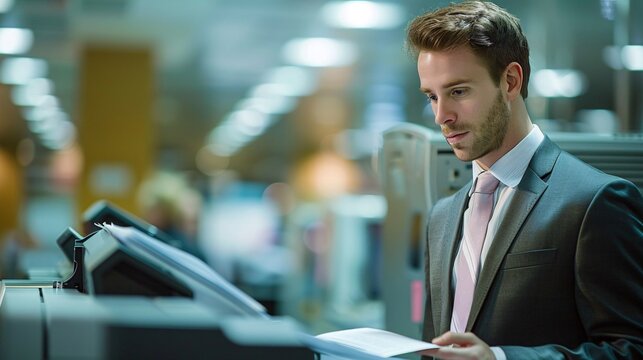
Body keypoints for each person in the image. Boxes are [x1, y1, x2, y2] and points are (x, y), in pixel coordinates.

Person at [405, 1, 643, 359]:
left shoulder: (594, 201)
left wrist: (501, 359)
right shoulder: (442, 216)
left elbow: (632, 349)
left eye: (458, 91)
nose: (442, 116)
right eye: (432, 96)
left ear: (511, 81)